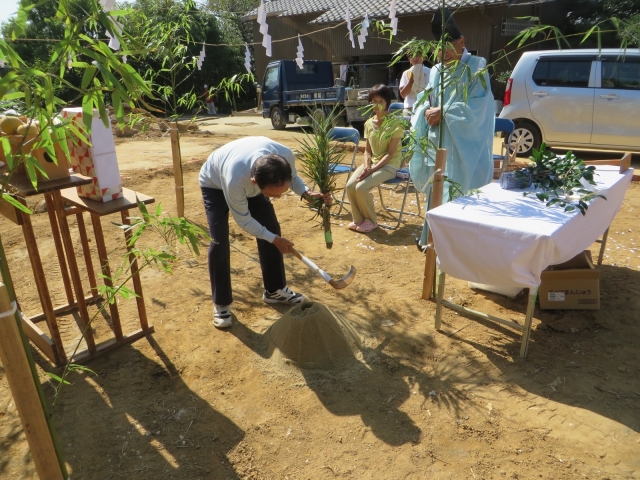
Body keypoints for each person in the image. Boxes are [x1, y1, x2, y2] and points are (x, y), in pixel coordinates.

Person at [199, 137, 331, 328]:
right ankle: (221, 303)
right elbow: (244, 220)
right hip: (215, 183)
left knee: (271, 229)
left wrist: (306, 193)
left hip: (247, 177)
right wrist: (274, 240)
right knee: (219, 241)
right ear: (255, 182)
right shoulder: (235, 179)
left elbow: (293, 178)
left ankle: (275, 290)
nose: (279, 197)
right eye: (274, 194)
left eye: (281, 192)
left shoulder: (285, 155)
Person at [410, 7, 495, 247]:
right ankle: (433, 241)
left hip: (467, 146)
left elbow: (480, 107)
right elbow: (426, 99)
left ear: (461, 42)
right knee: (437, 188)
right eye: (439, 48)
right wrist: (425, 111)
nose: (443, 53)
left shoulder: (477, 66)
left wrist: (445, 112)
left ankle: (460, 246)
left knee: (463, 191)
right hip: (439, 143)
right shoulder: (437, 70)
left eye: (448, 46)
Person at [345, 84, 405, 233]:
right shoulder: (368, 123)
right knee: (350, 185)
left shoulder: (395, 123)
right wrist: (367, 166)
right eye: (374, 101)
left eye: (381, 101)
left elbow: (390, 154)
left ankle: (371, 221)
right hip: (373, 163)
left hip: (390, 165)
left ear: (387, 103)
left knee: (361, 187)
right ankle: (359, 219)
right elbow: (367, 150)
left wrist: (372, 169)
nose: (377, 105)